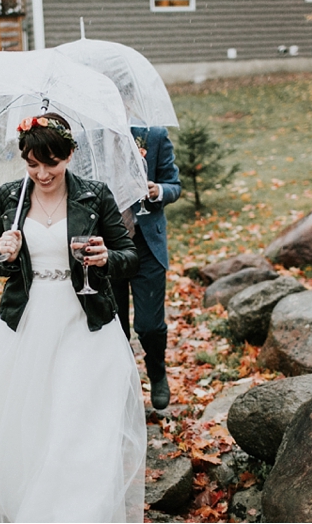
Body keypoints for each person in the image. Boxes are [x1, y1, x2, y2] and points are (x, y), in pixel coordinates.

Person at [0, 113, 147, 522]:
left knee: (79, 417)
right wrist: (4, 252)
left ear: (70, 155)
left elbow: (129, 256)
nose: (42, 173)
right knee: (33, 416)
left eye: (52, 163)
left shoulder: (95, 195)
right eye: (32, 164)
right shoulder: (11, 196)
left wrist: (106, 258)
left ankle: (75, 510)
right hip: (27, 319)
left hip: (86, 318)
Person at [113, 125, 181, 410]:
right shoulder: (87, 137)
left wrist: (158, 191)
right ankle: (122, 385)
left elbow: (174, 185)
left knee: (149, 326)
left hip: (146, 244)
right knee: (115, 328)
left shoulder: (153, 135)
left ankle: (157, 372)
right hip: (108, 244)